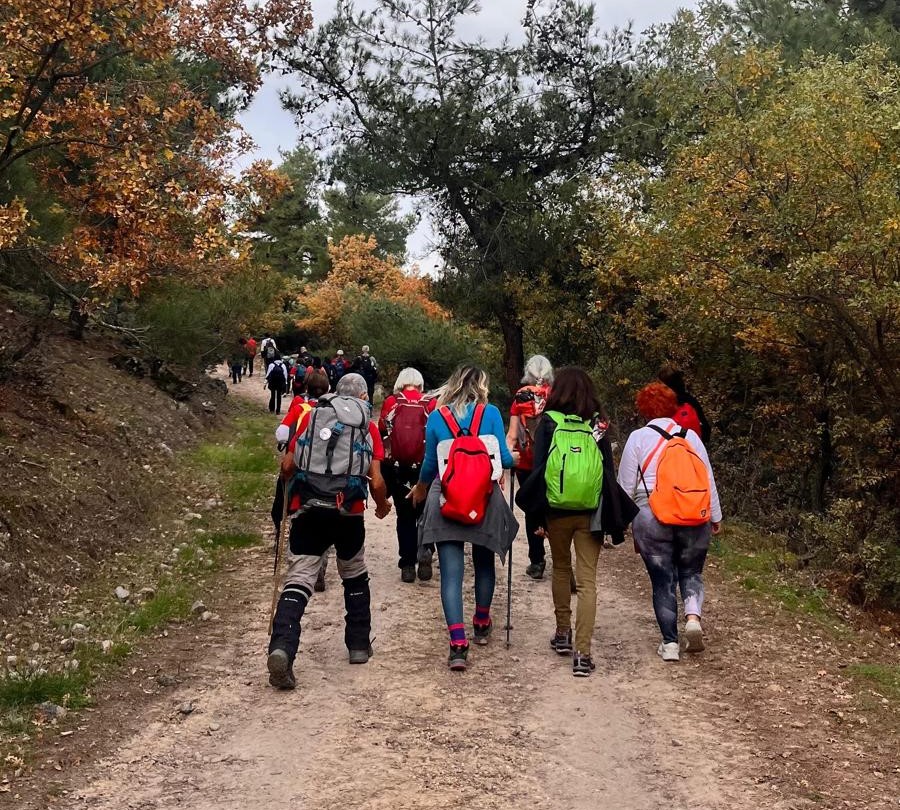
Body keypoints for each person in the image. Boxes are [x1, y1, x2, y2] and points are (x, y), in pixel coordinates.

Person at [267, 373, 392, 690]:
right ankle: (358, 644)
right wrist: (382, 505)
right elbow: (376, 480)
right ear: (363, 397)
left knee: (299, 579)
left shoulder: (311, 416)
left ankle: (282, 647)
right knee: (354, 573)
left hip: (309, 510)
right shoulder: (367, 426)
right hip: (348, 513)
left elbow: (287, 466)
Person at [514, 367, 623, 677]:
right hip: (590, 511)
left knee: (561, 568)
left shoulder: (548, 422)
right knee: (588, 581)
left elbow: (539, 472)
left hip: (556, 509)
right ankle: (583, 654)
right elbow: (608, 473)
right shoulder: (598, 424)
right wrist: (612, 518)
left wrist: (537, 517)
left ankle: (563, 633)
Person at [409, 366, 519, 671]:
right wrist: (515, 458)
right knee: (484, 562)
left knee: (451, 573)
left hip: (446, 497)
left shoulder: (437, 416)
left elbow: (430, 463)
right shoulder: (491, 413)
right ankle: (481, 622)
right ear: (481, 387)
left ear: (453, 385)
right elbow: (503, 459)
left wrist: (420, 488)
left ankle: (458, 644)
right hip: (484, 496)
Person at [617, 382, 722, 663]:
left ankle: (670, 643)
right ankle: (693, 618)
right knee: (691, 572)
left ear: (643, 409)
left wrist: (621, 522)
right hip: (693, 514)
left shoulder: (638, 438)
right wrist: (715, 516)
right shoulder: (691, 437)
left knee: (662, 580)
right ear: (673, 407)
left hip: (652, 515)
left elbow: (625, 486)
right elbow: (707, 478)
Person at [379, 367, 436, 582]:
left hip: (398, 467)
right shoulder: (430, 403)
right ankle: (426, 550)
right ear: (420, 383)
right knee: (425, 512)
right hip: (424, 466)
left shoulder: (392, 402)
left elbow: (383, 430)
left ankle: (407, 564)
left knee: (404, 516)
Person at [505, 354, 553, 579]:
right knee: (553, 507)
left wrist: (505, 459)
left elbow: (512, 435)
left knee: (532, 510)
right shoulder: (556, 396)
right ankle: (561, 557)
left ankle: (537, 561)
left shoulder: (521, 396)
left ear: (528, 373)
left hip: (526, 462)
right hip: (552, 462)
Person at [658, 366, 711, 445]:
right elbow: (706, 428)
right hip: (695, 447)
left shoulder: (661, 406)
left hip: (672, 448)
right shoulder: (690, 401)